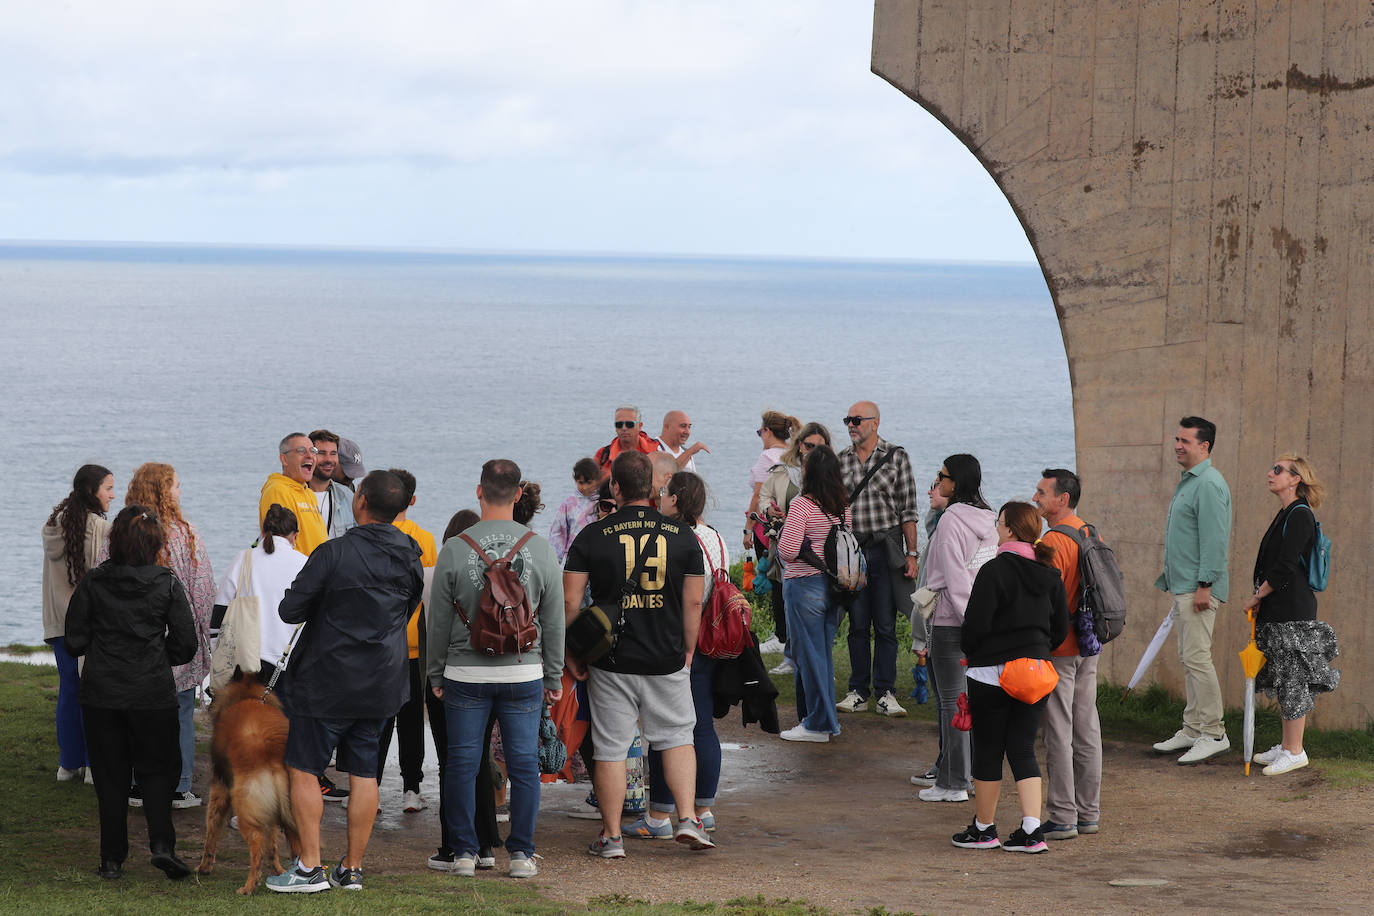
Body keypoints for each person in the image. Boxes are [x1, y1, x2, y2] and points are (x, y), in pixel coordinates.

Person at [266, 470, 423, 893]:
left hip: (326, 679)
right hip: (382, 678)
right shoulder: (411, 553)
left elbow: (290, 610)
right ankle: (351, 869)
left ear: (361, 502)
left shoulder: (332, 552)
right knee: (365, 773)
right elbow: (409, 606)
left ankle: (310, 866)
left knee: (303, 768)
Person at [563, 451, 712, 859]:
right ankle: (687, 818)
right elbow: (694, 602)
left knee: (610, 747)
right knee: (678, 737)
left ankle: (611, 837)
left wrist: (569, 652)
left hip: (610, 659)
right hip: (666, 655)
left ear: (614, 487)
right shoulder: (683, 536)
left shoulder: (592, 536)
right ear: (653, 488)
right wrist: (688, 648)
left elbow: (569, 602)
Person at [427, 459, 565, 879]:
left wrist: (435, 674)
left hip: (465, 675)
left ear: (478, 491)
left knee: (462, 764)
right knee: (524, 767)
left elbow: (438, 622)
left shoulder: (454, 549)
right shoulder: (540, 548)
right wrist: (554, 676)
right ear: (518, 494)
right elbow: (554, 621)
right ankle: (521, 854)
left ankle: (466, 853)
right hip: (523, 674)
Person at [65, 505, 197, 881]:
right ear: (156, 543)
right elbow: (186, 644)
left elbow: (74, 640)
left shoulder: (94, 582)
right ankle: (162, 846)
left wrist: (104, 648)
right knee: (158, 771)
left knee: (110, 776)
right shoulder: (167, 583)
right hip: (151, 693)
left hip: (102, 693)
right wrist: (157, 658)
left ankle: (111, 859)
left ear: (115, 540)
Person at [951, 502, 1069, 854]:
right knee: (1023, 748)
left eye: (999, 522)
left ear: (1010, 530)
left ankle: (984, 829)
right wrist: (1036, 647)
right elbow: (1060, 629)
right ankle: (1032, 830)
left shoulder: (994, 570)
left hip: (991, 673)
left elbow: (974, 626)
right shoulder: (1050, 573)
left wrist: (972, 651)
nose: (997, 528)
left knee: (988, 749)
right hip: (1035, 673)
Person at [631, 471, 725, 836]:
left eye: (665, 492)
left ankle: (660, 814)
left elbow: (689, 594)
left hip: (683, 638)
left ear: (677, 499)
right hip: (713, 637)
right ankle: (704, 807)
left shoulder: (676, 538)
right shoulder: (714, 535)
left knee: (667, 729)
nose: (660, 496)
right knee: (701, 725)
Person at [1239, 455, 1339, 776]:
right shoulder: (1287, 514)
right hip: (1279, 610)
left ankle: (1295, 751)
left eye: (1278, 470)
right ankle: (1286, 746)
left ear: (1295, 479)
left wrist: (1257, 595)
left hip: (1292, 612)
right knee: (1285, 676)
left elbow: (1284, 567)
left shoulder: (1300, 515)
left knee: (1294, 677)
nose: (1270, 473)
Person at [124, 462, 214, 809]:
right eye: (175, 486)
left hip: (133, 639)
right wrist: (205, 636)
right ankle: (179, 785)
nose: (180, 491)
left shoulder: (120, 534)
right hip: (177, 638)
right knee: (179, 712)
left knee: (137, 713)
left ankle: (136, 784)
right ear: (163, 491)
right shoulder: (184, 533)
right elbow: (203, 588)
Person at [1152, 416, 1233, 765]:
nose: (1178, 445)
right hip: (1184, 586)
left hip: (1199, 588)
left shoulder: (1209, 484)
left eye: (1186, 441)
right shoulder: (1189, 482)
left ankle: (1214, 733)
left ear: (1205, 447)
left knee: (1198, 658)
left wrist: (1205, 585)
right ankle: (1193, 728)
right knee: (1190, 658)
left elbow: (1215, 541)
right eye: (1177, 439)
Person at [835, 402, 920, 717]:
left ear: (875, 422)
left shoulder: (896, 457)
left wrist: (911, 554)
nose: (851, 425)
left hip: (885, 549)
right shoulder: (841, 460)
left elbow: (909, 509)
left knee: (885, 624)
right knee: (857, 624)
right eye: (847, 420)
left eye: (856, 420)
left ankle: (886, 692)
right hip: (853, 550)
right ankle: (858, 691)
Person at [921, 454, 997, 802]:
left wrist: (968, 621)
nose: (939, 480)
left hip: (952, 620)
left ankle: (953, 782)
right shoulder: (988, 517)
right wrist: (981, 622)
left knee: (950, 703)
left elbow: (953, 576)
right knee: (965, 702)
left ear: (957, 482)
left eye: (943, 475)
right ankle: (959, 778)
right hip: (978, 618)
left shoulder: (951, 519)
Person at [1032, 469, 1102, 839]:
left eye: (1042, 493)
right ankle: (1088, 812)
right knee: (1087, 726)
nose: (1035, 498)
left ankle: (1062, 815)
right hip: (1089, 642)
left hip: (1061, 647)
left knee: (1058, 730)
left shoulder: (1053, 541)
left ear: (1062, 499)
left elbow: (1046, 597)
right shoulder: (1090, 532)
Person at [775, 444, 852, 743]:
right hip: (832, 587)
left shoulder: (802, 505)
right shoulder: (842, 507)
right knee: (822, 656)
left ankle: (818, 724)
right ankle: (825, 720)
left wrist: (783, 531)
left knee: (808, 658)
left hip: (803, 586)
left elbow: (788, 550)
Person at [42, 464, 114, 783]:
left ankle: (68, 764)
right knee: (95, 692)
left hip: (59, 622)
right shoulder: (99, 528)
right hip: (90, 624)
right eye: (108, 488)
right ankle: (92, 764)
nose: (113, 494)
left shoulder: (55, 523)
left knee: (69, 690)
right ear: (91, 491)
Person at [375, 469, 438, 814]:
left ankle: (367, 786)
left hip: (380, 647)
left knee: (378, 720)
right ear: (410, 500)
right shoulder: (424, 539)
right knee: (412, 720)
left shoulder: (369, 535)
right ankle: (411, 789)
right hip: (415, 644)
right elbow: (429, 592)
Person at [757, 422, 832, 676]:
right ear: (799, 445)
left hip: (818, 550)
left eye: (818, 447)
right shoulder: (783, 470)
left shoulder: (830, 473)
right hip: (787, 543)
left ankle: (817, 661)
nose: (812, 451)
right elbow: (764, 496)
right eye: (808, 445)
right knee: (789, 604)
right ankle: (791, 657)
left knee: (817, 609)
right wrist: (769, 510)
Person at [212, 504, 308, 682]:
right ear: (295, 536)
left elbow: (219, 613)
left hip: (245, 665)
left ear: (262, 532)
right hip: (291, 664)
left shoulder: (243, 559)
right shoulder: (305, 564)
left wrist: (217, 654)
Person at [909, 475, 950, 788]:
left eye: (937, 484)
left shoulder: (948, 531)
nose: (929, 490)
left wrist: (924, 635)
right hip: (936, 625)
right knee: (945, 702)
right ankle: (945, 761)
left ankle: (951, 766)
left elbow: (935, 584)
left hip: (946, 627)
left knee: (951, 703)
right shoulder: (939, 527)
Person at [747, 410, 797, 656]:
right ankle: (784, 631)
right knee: (785, 581)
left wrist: (748, 529)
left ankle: (781, 636)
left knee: (775, 580)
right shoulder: (791, 455)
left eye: (760, 432)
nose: (761, 437)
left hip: (766, 528)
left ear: (767, 431)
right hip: (790, 526)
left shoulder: (767, 457)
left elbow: (758, 496)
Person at [259, 433, 329, 556]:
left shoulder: (308, 492)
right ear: (284, 459)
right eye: (301, 451)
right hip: (299, 572)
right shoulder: (278, 491)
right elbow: (279, 545)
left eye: (313, 451)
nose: (309, 456)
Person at [548, 458, 601, 562]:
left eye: (589, 482)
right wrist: (554, 561)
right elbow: (558, 532)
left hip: (598, 555)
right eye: (580, 483)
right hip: (574, 556)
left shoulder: (603, 502)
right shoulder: (569, 503)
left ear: (597, 480)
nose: (585, 487)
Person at [307, 429, 357, 538]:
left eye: (333, 453)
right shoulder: (291, 495)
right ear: (309, 455)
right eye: (322, 453)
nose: (328, 459)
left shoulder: (347, 496)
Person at [595, 405, 661, 475]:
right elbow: (589, 483)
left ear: (640, 426)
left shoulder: (657, 451)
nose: (624, 428)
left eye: (629, 424)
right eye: (619, 424)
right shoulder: (603, 455)